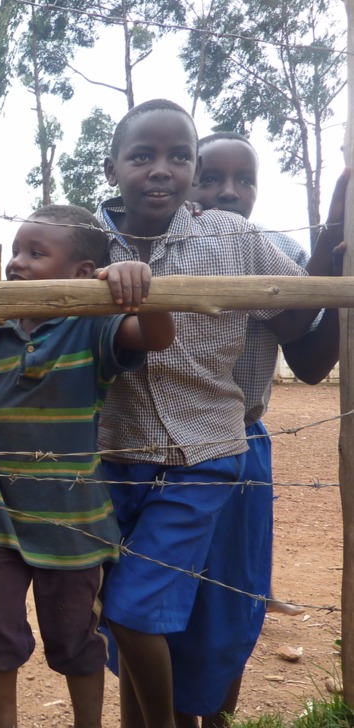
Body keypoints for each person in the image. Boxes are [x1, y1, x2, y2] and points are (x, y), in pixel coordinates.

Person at [93, 99, 336, 728]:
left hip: (213, 451)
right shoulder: (88, 239)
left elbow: (301, 323)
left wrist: (335, 252)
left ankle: (212, 718)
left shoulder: (239, 241)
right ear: (114, 164)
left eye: (181, 158)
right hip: (112, 454)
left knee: (214, 605)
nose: (163, 170)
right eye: (144, 155)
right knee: (134, 613)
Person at [0, 204, 176, 728]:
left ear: (82, 273)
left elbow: (156, 337)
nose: (16, 263)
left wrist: (139, 287)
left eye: (36, 253)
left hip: (74, 523)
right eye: (16, 251)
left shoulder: (92, 332)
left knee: (77, 638)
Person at [169, 132, 346, 728]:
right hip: (166, 448)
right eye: (210, 177)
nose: (227, 191)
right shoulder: (165, 246)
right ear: (188, 178)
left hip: (244, 444)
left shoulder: (276, 251)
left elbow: (311, 362)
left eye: (243, 180)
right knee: (165, 593)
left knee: (234, 595)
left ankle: (217, 715)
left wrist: (333, 273)